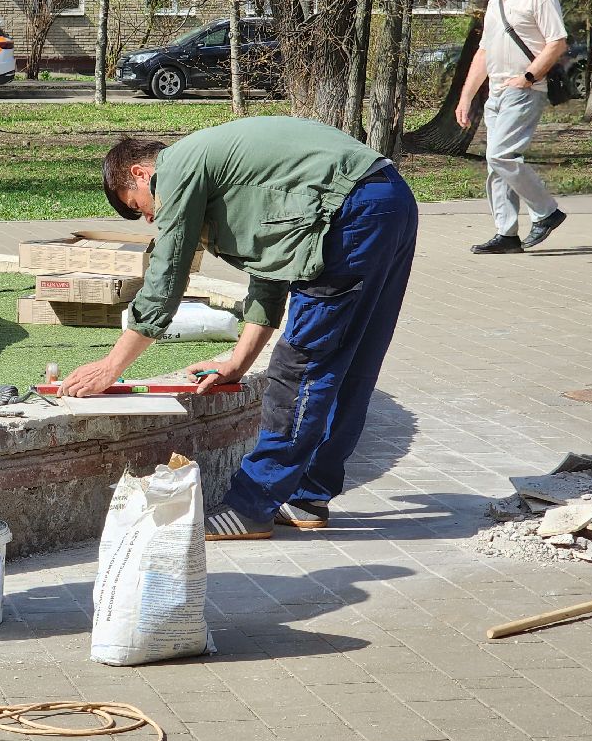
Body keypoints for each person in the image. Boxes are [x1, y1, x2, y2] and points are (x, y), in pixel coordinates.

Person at [58, 119, 417, 539]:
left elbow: (166, 276)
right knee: (352, 359)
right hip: (389, 199)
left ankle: (251, 506)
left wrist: (111, 366)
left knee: (298, 365)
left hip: (351, 212)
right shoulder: (233, 177)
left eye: (139, 206)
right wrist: (237, 362)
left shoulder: (175, 168)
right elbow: (272, 266)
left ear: (140, 173)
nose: (151, 217)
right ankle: (307, 497)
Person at [456, 0, 569, 254]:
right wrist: (466, 98)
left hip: (525, 90)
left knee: (500, 156)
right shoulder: (495, 1)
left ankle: (546, 211)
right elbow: (484, 53)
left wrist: (529, 77)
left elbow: (557, 42)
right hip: (496, 93)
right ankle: (506, 234)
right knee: (497, 166)